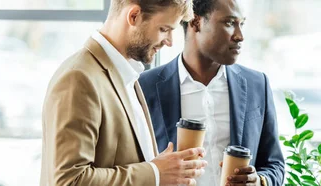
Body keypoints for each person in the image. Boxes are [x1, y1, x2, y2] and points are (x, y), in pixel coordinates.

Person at [40, 0, 209, 185]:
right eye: (164, 29)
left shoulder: (128, 74)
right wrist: (156, 173)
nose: (169, 42)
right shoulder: (78, 78)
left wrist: (167, 170)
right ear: (134, 16)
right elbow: (70, 180)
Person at [138, 0, 284, 185]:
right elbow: (133, 165)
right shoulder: (144, 87)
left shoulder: (257, 84)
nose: (240, 36)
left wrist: (260, 181)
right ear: (195, 22)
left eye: (242, 24)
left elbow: (275, 165)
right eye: (230, 23)